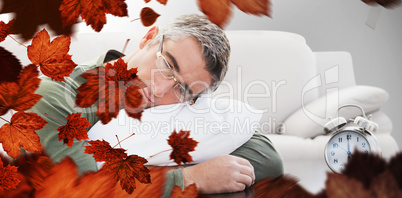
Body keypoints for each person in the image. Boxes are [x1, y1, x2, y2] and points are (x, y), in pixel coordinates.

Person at [26, 14, 283, 196]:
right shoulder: (54, 94)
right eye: (167, 65)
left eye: (182, 88)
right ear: (149, 37)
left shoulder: (178, 104)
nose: (160, 90)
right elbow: (80, 188)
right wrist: (190, 178)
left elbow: (265, 158)